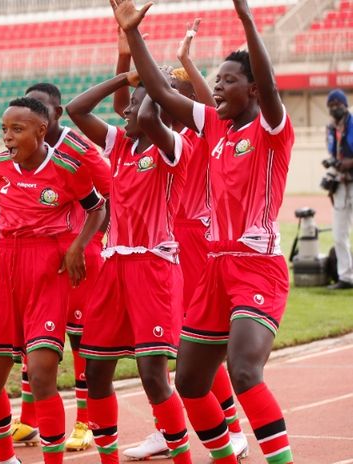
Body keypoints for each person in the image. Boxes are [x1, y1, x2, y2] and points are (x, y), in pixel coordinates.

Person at [113, 0, 296, 462]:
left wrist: (247, 19)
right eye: (215, 80)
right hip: (213, 267)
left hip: (257, 268)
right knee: (192, 383)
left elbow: (272, 84)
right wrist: (132, 36)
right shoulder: (214, 126)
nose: (216, 87)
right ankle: (226, 457)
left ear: (254, 90)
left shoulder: (273, 128)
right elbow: (157, 90)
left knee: (243, 371)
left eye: (228, 80)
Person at [115, 20, 249, 461]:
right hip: (172, 237)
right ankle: (166, 428)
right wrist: (127, 54)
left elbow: (200, 104)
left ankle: (230, 426)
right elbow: (126, 105)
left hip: (197, 240)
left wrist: (186, 64)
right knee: (183, 342)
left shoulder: (201, 132)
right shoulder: (158, 136)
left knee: (199, 337)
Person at [66, 62, 192, 464]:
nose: (126, 110)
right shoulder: (120, 144)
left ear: (160, 110)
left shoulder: (171, 145)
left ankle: (181, 454)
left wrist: (153, 85)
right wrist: (125, 80)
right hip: (114, 267)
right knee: (97, 372)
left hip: (153, 268)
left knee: (153, 376)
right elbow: (76, 109)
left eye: (134, 104)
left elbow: (153, 112)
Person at [0, 96, 106, 464]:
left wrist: (78, 245)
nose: (8, 137)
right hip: (5, 267)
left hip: (47, 269)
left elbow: (97, 208)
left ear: (41, 130)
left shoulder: (68, 166)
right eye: (4, 130)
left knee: (41, 372)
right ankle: (6, 459)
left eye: (17, 129)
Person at [8, 82, 111, 453]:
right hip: (37, 259)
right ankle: (30, 419)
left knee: (81, 337)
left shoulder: (77, 148)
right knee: (32, 342)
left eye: (44, 108)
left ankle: (84, 422)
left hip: (76, 257)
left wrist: (85, 247)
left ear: (56, 113)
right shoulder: (19, 155)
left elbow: (110, 194)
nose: (37, 113)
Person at [325, 89, 353, 289]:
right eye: (331, 105)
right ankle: (346, 277)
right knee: (338, 233)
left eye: (338, 104)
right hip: (341, 184)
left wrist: (349, 163)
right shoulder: (330, 129)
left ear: (345, 104)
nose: (335, 107)